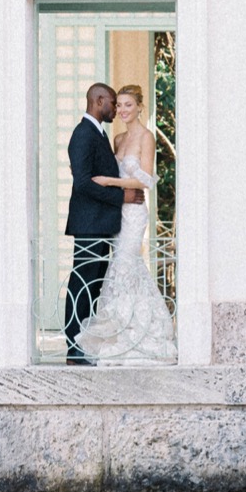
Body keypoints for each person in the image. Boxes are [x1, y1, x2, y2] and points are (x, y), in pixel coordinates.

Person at [76, 82, 177, 365]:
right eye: (118, 105)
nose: (121, 110)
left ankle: (140, 331)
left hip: (134, 213)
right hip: (116, 212)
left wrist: (111, 182)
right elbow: (102, 168)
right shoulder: (117, 140)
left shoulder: (146, 138)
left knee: (125, 264)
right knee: (118, 267)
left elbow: (144, 180)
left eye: (127, 105)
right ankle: (120, 329)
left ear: (139, 107)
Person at [64, 82, 124, 363]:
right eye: (112, 102)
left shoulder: (97, 134)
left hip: (100, 224)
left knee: (95, 285)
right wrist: (119, 197)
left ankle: (85, 342)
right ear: (99, 101)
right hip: (89, 224)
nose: (114, 108)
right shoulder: (83, 134)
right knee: (82, 284)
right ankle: (73, 345)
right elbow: (82, 183)